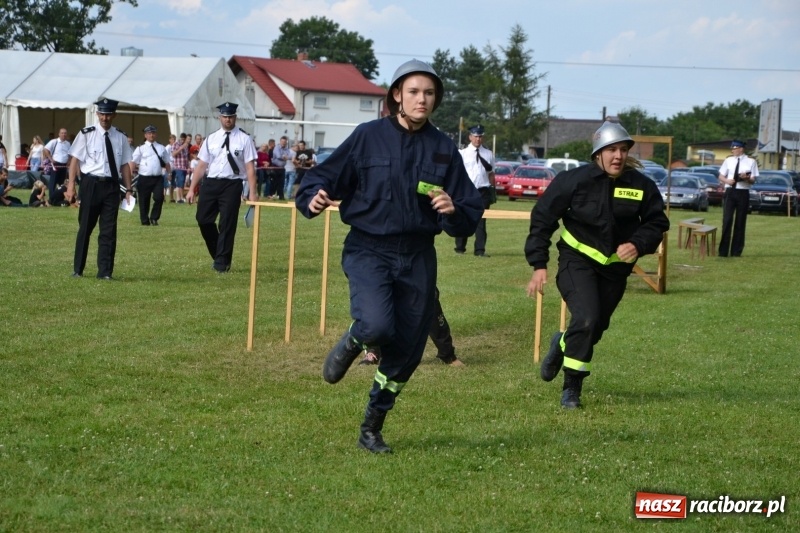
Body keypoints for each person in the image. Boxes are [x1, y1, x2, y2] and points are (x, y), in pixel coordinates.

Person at [295, 59, 483, 454]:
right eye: (414, 91)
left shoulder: (443, 148)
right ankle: (354, 338)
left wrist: (455, 210)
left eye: (429, 93)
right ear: (396, 94)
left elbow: (469, 210)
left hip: (417, 255)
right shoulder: (367, 137)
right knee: (377, 326)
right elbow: (321, 178)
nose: (422, 99)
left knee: (407, 352)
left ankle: (372, 425)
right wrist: (311, 198)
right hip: (369, 249)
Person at [525, 121, 669, 409]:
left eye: (623, 150)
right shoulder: (574, 181)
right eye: (611, 149)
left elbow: (657, 223)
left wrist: (639, 243)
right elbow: (543, 219)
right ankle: (571, 389)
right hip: (576, 261)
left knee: (596, 327)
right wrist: (538, 263)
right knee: (587, 318)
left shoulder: (642, 185)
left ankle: (562, 342)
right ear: (598, 153)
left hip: (614, 271)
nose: (618, 156)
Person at [65, 98, 134, 280]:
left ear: (114, 115)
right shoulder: (86, 134)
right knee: (85, 227)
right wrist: (71, 186)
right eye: (102, 113)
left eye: (108, 114)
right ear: (97, 114)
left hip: (111, 186)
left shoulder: (120, 137)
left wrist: (128, 189)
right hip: (91, 185)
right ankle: (78, 269)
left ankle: (105, 272)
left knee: (108, 231)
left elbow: (126, 165)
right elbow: (75, 161)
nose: (105, 117)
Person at [186, 102, 258, 273]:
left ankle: (222, 263)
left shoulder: (244, 138)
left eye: (231, 116)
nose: (228, 119)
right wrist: (191, 189)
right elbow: (202, 165)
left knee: (227, 224)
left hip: (232, 185)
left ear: (235, 117)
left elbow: (249, 168)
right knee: (203, 220)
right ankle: (219, 253)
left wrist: (253, 193)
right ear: (220, 118)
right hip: (211, 183)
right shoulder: (211, 138)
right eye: (225, 116)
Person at [360, 287, 465, 367]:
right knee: (375, 297)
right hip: (380, 261)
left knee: (428, 297)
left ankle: (447, 353)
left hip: (413, 261)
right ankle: (372, 350)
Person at [454, 124, 495, 257]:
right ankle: (460, 247)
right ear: (470, 137)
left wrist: (493, 190)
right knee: (463, 218)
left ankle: (480, 250)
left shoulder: (488, 154)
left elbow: (491, 173)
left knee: (481, 221)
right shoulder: (463, 153)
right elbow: (457, 173)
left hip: (482, 191)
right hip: (466, 190)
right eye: (476, 136)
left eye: (480, 136)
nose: (478, 139)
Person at [717, 139, 758, 257]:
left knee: (740, 221)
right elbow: (721, 175)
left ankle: (736, 251)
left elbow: (753, 180)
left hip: (743, 192)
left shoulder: (751, 161)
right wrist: (727, 181)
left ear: (741, 149)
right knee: (727, 220)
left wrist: (746, 178)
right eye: (732, 148)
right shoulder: (728, 160)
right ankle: (723, 251)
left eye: (734, 148)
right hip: (730, 191)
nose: (732, 150)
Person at [130, 125, 172, 226]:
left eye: (153, 133)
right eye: (149, 133)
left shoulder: (161, 147)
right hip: (144, 177)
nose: (151, 135)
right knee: (144, 200)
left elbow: (166, 162)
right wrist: (130, 173)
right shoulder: (141, 148)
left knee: (159, 198)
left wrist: (169, 173)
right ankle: (144, 220)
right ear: (145, 135)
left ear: (156, 134)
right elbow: (133, 161)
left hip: (157, 178)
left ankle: (154, 218)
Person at [44, 128, 72, 199]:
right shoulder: (54, 141)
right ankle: (51, 197)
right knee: (53, 182)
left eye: (65, 133)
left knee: (62, 182)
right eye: (62, 133)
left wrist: (69, 161)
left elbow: (70, 153)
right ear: (59, 134)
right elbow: (45, 149)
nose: (63, 135)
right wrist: (50, 159)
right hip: (55, 164)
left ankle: (60, 197)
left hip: (64, 165)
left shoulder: (68, 143)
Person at [170, 133, 190, 204]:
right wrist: (181, 148)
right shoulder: (175, 144)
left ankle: (181, 198)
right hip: (178, 167)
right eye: (182, 139)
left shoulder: (186, 146)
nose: (183, 141)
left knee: (182, 183)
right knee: (179, 182)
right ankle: (179, 198)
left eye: (184, 140)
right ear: (180, 138)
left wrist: (188, 167)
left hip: (184, 167)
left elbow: (186, 158)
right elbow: (173, 154)